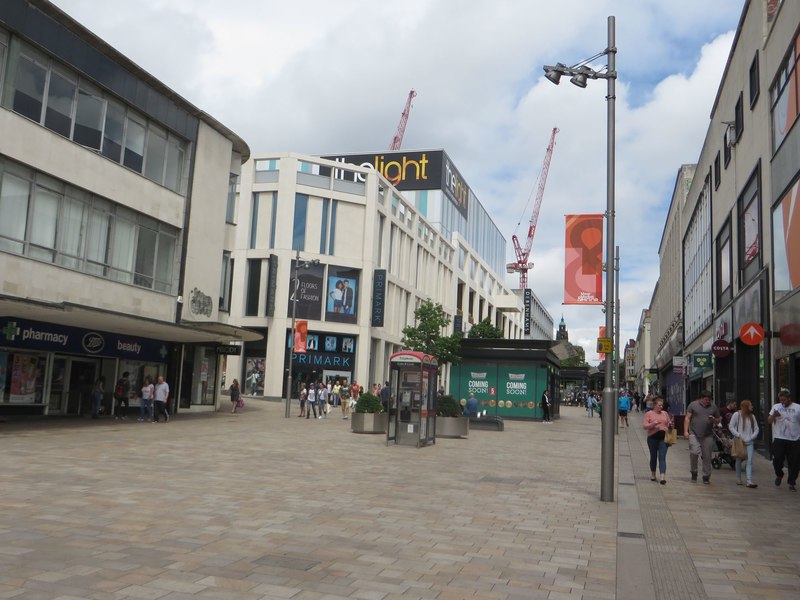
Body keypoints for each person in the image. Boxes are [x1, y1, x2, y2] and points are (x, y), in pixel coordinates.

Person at [683, 389, 720, 484]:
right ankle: (694, 472)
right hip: (694, 433)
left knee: (707, 456)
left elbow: (718, 420)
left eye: (709, 400)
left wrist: (714, 420)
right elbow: (687, 418)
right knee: (694, 453)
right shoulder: (693, 405)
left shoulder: (713, 407)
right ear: (701, 398)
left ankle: (706, 476)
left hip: (708, 435)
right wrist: (686, 431)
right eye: (706, 399)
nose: (708, 401)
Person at [767, 388, 800, 492]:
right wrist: (773, 415)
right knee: (777, 458)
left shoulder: (797, 407)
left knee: (794, 462)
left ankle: (791, 482)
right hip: (779, 438)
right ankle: (779, 474)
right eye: (781, 400)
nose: (782, 402)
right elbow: (769, 421)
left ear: (789, 398)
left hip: (794, 439)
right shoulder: (776, 407)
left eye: (784, 400)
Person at [728, 399, 759, 488]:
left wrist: (752, 437)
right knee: (739, 460)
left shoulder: (752, 416)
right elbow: (731, 426)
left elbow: (756, 429)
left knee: (749, 461)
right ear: (746, 406)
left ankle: (749, 480)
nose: (752, 407)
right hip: (740, 441)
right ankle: (738, 478)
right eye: (750, 405)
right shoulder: (736, 415)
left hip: (749, 442)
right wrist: (738, 435)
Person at [642, 396, 673, 484]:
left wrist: (670, 425)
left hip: (663, 438)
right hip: (652, 438)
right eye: (659, 405)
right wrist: (653, 424)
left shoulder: (665, 414)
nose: (661, 407)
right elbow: (644, 426)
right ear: (654, 405)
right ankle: (653, 474)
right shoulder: (649, 414)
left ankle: (662, 477)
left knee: (662, 457)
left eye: (662, 405)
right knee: (653, 456)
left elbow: (669, 423)